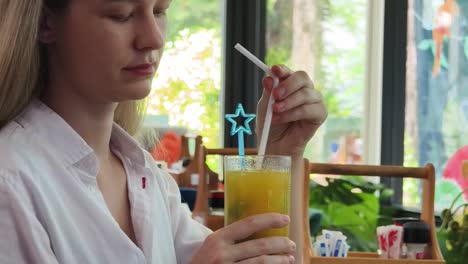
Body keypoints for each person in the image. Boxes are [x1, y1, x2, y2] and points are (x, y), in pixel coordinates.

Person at [0, 0, 327, 263]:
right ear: (45, 22)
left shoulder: (148, 181)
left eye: (160, 10)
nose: (154, 38)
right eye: (122, 14)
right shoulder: (11, 182)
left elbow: (266, 255)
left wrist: (282, 155)